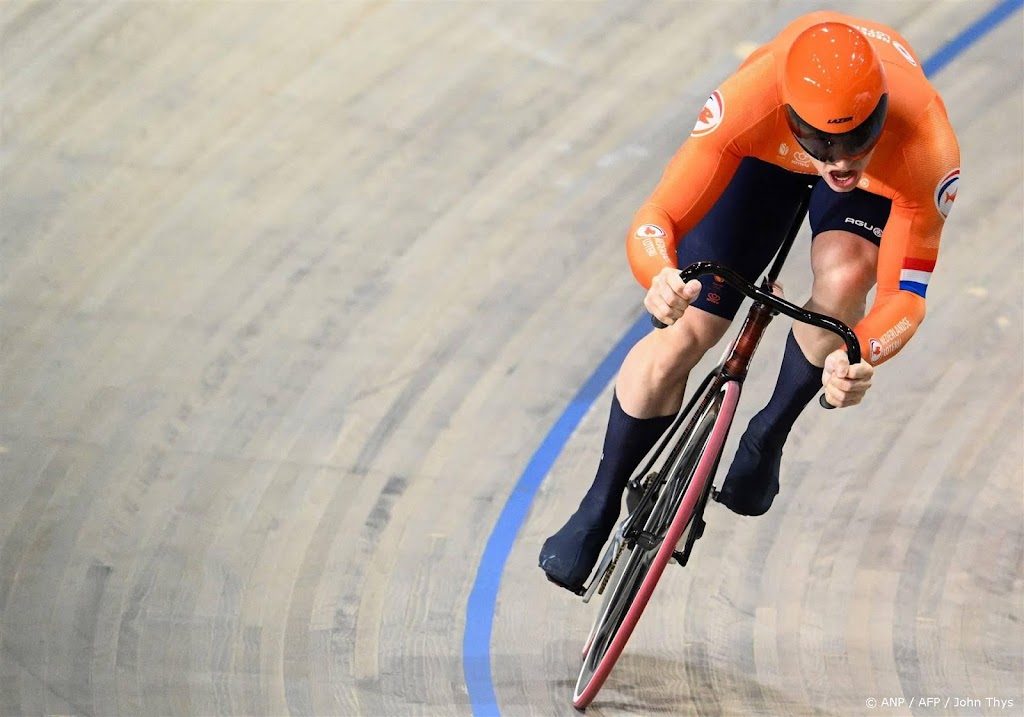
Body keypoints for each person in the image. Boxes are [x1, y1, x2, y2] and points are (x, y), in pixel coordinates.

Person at [538, 10, 961, 594]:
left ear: (882, 116)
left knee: (846, 278)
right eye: (821, 140)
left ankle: (769, 432)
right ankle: (602, 498)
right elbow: (657, 216)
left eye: (856, 137)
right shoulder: (749, 102)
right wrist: (660, 276)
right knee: (684, 332)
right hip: (763, 159)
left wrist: (859, 352)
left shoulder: (924, 141)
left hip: (878, 182)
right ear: (790, 115)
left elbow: (905, 295)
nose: (840, 160)